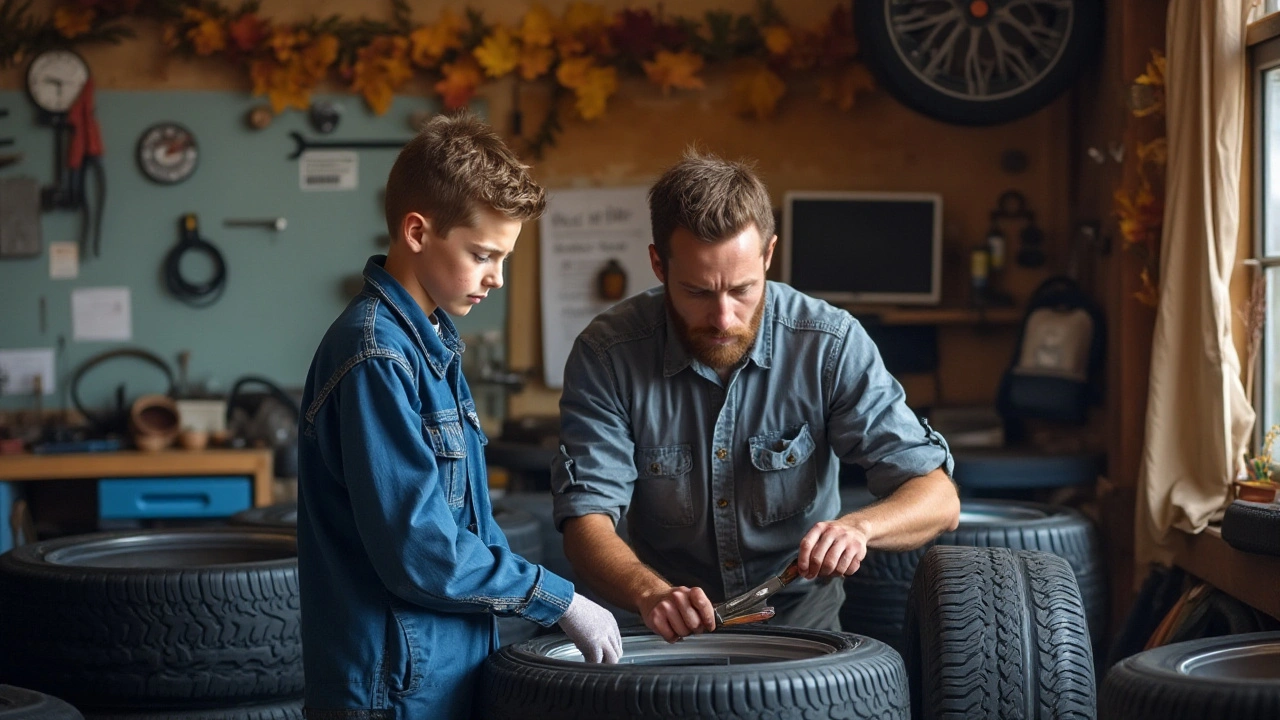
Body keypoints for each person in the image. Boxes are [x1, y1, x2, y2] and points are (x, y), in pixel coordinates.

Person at [552, 150, 962, 642]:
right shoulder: (608, 353)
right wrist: (649, 592)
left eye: (743, 289)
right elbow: (585, 521)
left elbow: (938, 498)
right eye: (699, 292)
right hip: (660, 626)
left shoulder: (829, 344)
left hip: (799, 622)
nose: (724, 318)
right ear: (658, 265)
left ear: (768, 255)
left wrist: (859, 528)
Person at [296, 112, 621, 720]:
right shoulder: (375, 356)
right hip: (390, 689)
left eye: (505, 258)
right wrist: (558, 599)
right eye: (482, 254)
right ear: (416, 231)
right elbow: (420, 549)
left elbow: (470, 528)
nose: (497, 279)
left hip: (445, 673)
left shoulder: (433, 347)